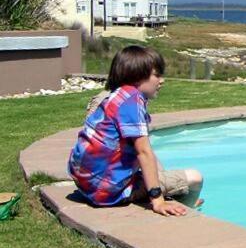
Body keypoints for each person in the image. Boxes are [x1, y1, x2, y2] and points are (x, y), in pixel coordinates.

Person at [68, 45, 203, 216]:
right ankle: (188, 206)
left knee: (154, 159)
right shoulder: (133, 102)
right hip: (106, 192)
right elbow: (143, 152)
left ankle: (172, 190)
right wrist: (157, 200)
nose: (162, 80)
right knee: (195, 177)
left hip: (87, 183)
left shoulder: (115, 96)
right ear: (138, 76)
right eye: (157, 75)